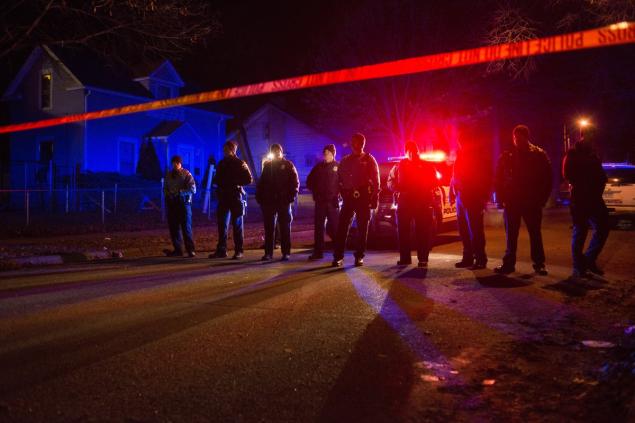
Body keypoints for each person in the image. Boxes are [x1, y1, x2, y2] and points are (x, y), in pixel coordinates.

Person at [494, 125, 552, 275]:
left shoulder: (538, 154)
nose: (516, 140)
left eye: (519, 137)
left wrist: (542, 199)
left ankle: (538, 263)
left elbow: (547, 179)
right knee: (512, 235)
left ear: (526, 137)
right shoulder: (508, 154)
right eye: (515, 137)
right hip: (514, 201)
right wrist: (501, 198)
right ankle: (510, 263)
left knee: (534, 233)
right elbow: (499, 178)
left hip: (530, 201)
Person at [562, 140, 609, 278]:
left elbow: (601, 178)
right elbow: (569, 176)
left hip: (593, 199)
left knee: (601, 228)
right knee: (580, 231)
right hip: (581, 200)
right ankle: (579, 266)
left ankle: (587, 260)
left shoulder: (592, 157)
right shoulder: (573, 157)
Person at [332, 133, 380, 267]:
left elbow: (376, 180)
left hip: (363, 197)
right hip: (348, 197)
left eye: (358, 142)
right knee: (342, 227)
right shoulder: (345, 160)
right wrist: (337, 195)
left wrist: (375, 196)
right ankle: (338, 257)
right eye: (353, 142)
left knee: (362, 228)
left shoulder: (369, 159)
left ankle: (359, 256)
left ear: (363, 144)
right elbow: (338, 179)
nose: (355, 145)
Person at [387, 141, 438, 268]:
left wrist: (424, 188)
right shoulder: (399, 166)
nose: (412, 153)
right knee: (403, 232)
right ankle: (405, 259)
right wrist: (397, 188)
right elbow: (390, 180)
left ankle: (423, 259)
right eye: (409, 151)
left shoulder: (426, 165)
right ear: (406, 152)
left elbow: (434, 181)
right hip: (405, 202)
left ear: (417, 151)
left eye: (414, 150)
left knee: (423, 232)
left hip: (422, 202)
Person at [451, 136, 492, 269]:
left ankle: (480, 258)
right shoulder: (460, 156)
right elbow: (454, 176)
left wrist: (483, 198)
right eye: (459, 141)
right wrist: (453, 192)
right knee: (464, 230)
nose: (460, 143)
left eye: (462, 140)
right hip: (460, 198)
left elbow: (486, 177)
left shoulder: (478, 156)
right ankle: (468, 257)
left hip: (473, 198)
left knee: (475, 230)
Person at [210, 140, 253, 260]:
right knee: (222, 225)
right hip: (223, 197)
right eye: (224, 149)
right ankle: (221, 250)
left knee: (237, 225)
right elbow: (216, 179)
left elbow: (249, 179)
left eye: (226, 149)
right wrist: (217, 184)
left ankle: (239, 250)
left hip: (235, 196)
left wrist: (235, 183)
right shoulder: (221, 163)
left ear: (232, 150)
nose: (224, 151)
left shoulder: (240, 163)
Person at [256, 143, 299, 261]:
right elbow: (262, 183)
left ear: (281, 152)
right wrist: (260, 198)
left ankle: (286, 252)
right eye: (273, 151)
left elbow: (295, 183)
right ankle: (268, 253)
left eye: (277, 151)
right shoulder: (267, 166)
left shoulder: (288, 165)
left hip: (283, 202)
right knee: (269, 228)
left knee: (285, 228)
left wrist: (290, 197)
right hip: (269, 202)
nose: (276, 153)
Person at [306, 144, 340, 260]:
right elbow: (309, 181)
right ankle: (318, 252)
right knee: (319, 228)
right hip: (320, 202)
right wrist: (316, 192)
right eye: (325, 153)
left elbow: (343, 183)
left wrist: (339, 195)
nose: (326, 156)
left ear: (333, 154)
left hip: (332, 203)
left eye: (329, 153)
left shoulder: (338, 167)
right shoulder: (318, 167)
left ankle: (338, 253)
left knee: (335, 228)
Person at [163, 155, 197, 257]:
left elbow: (193, 189)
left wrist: (179, 192)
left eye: (176, 163)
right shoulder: (168, 175)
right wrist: (168, 194)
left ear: (180, 163)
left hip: (183, 204)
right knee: (174, 228)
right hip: (172, 204)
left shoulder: (186, 174)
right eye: (173, 163)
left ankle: (190, 250)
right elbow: (165, 188)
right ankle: (178, 250)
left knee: (186, 227)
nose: (174, 165)